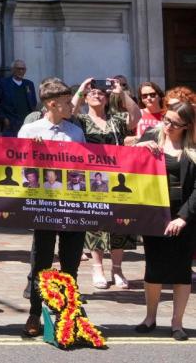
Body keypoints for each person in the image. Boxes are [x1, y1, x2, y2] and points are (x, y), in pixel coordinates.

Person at [134, 102, 196, 341]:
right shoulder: (152, 135)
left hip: (185, 214)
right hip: (155, 212)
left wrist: (183, 217)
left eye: (174, 123)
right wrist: (140, 147)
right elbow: (127, 163)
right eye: (166, 120)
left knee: (181, 271)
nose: (167, 126)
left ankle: (177, 323)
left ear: (187, 126)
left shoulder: (192, 146)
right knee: (154, 267)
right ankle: (150, 317)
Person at [72, 76, 140, 290]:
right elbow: (69, 113)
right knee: (96, 223)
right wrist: (81, 89)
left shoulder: (116, 119)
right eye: (92, 93)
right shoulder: (81, 120)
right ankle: (97, 267)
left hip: (118, 177)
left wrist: (122, 92)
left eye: (101, 93)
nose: (96, 95)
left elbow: (136, 117)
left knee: (119, 222)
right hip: (94, 178)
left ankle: (117, 268)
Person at [0, 60, 36, 136]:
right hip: (10, 124)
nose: (21, 71)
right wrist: (3, 118)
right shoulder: (2, 83)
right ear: (13, 70)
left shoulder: (29, 84)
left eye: (23, 69)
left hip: (27, 123)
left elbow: (33, 102)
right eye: (18, 69)